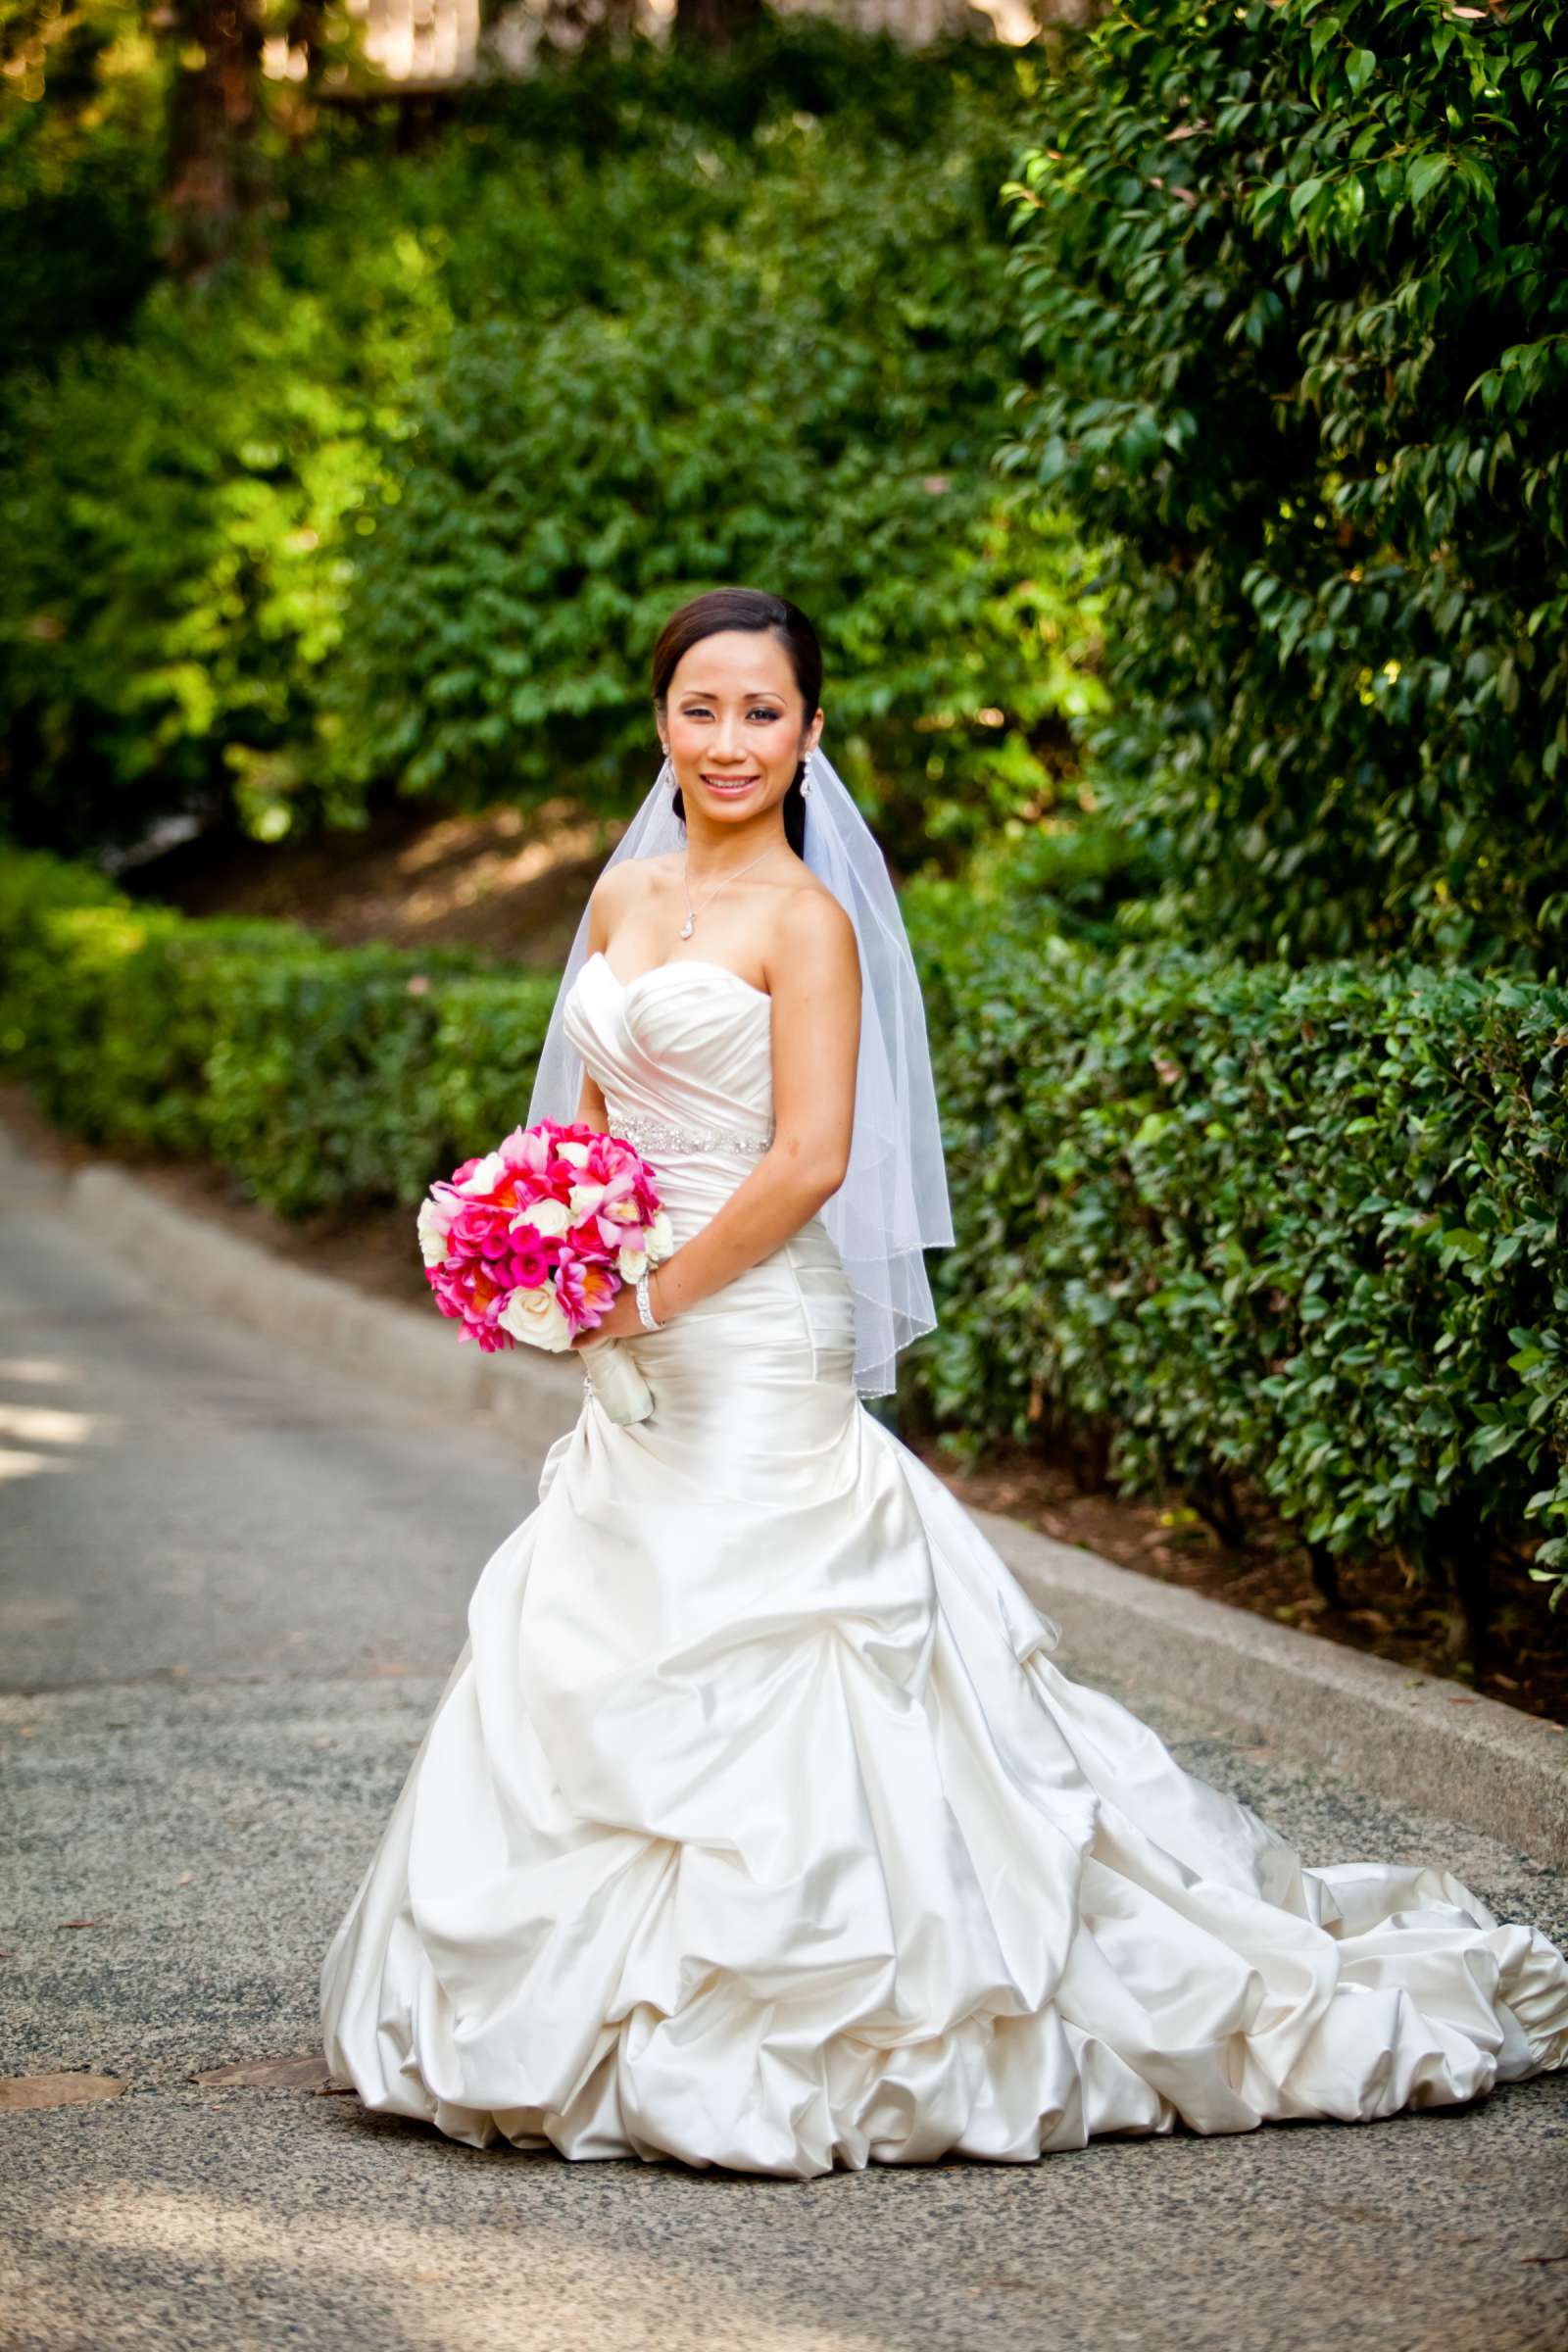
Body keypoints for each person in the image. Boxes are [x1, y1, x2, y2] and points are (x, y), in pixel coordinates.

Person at [318, 585, 1568, 2180]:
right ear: (660, 724)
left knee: (797, 1627)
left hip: (756, 1328)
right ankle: (573, 2005)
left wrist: (646, 1290)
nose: (728, 740)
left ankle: (848, 2008)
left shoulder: (810, 922)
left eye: (762, 712)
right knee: (596, 1616)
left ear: (812, 732)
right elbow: (594, 1125)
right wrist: (536, 1243)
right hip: (632, 1338)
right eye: (700, 709)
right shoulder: (625, 897)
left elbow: (811, 1158)